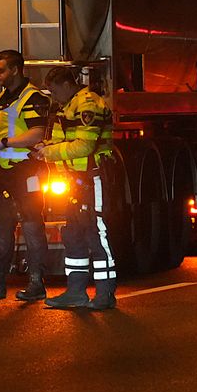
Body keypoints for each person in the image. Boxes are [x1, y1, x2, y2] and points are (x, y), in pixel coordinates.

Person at [29, 66, 118, 310]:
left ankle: (105, 294)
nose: (53, 96)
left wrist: (49, 152)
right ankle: (76, 291)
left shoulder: (87, 104)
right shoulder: (67, 106)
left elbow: (84, 146)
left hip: (92, 178)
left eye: (55, 90)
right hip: (74, 181)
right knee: (74, 235)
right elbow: (63, 141)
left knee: (96, 234)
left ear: (67, 85)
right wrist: (45, 147)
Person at [0, 49, 50, 301]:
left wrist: (4, 143)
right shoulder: (3, 97)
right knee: (2, 226)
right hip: (5, 172)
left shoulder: (34, 97)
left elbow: (37, 134)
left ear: (15, 69)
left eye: (1, 70)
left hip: (27, 170)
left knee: (32, 225)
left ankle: (36, 283)